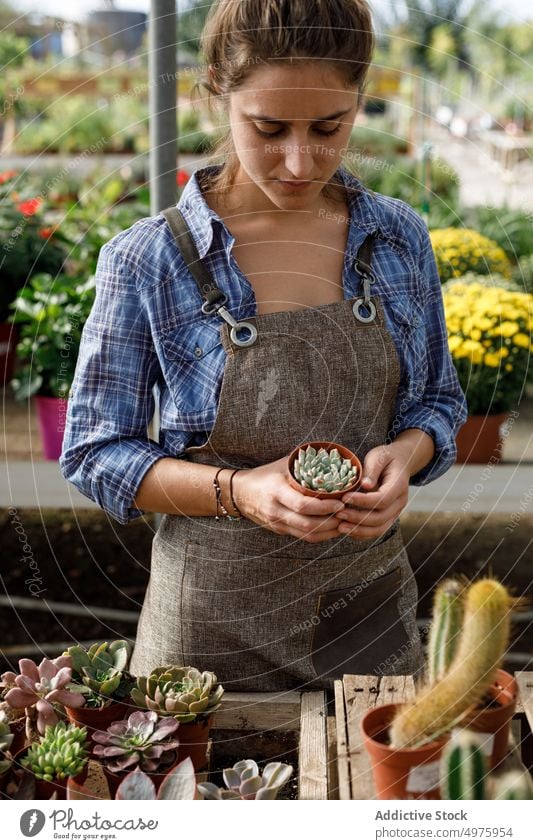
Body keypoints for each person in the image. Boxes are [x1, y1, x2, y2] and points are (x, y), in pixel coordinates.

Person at [60, 0, 467, 692]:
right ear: (218, 85)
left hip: (365, 620)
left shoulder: (396, 238)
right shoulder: (148, 260)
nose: (299, 160)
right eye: (269, 128)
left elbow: (436, 401)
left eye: (328, 127)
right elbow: (96, 452)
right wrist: (239, 491)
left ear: (358, 100)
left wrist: (403, 457)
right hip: (203, 645)